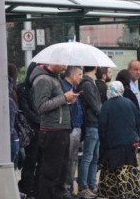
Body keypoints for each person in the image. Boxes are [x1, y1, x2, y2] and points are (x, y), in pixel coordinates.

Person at [30, 64, 79, 199]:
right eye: (62, 62)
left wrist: (68, 100)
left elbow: (55, 102)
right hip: (52, 131)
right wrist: (64, 98)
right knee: (51, 172)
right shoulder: (44, 79)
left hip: (61, 130)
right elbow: (41, 106)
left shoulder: (55, 77)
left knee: (61, 171)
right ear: (53, 61)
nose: (65, 66)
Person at [98, 81, 140, 199]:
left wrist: (103, 143)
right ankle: (131, 192)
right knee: (128, 169)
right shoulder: (129, 103)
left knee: (112, 170)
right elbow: (139, 122)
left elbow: (102, 127)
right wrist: (136, 137)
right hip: (129, 144)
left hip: (113, 145)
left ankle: (113, 193)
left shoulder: (106, 106)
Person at [17, 62, 41, 198]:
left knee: (41, 161)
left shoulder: (39, 87)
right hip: (31, 131)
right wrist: (41, 120)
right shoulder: (23, 88)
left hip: (41, 129)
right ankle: (27, 188)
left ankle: (36, 188)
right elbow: (26, 111)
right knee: (30, 161)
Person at [77, 66, 102, 198]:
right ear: (95, 67)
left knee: (94, 157)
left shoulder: (90, 82)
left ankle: (92, 184)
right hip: (92, 123)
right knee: (88, 156)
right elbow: (94, 104)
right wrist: (102, 114)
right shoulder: (87, 84)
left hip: (95, 124)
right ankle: (83, 186)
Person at [61, 66, 84, 198]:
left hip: (76, 126)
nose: (81, 77)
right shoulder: (65, 88)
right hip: (70, 127)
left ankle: (69, 188)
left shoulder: (74, 88)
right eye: (79, 74)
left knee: (73, 159)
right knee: (68, 159)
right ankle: (66, 188)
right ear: (72, 75)